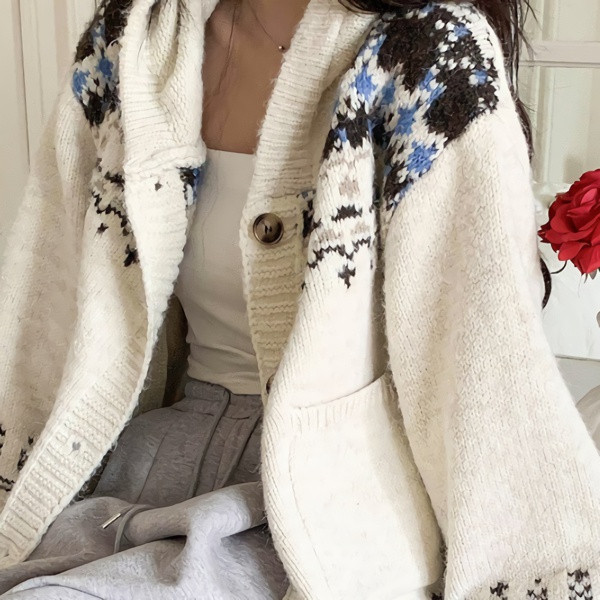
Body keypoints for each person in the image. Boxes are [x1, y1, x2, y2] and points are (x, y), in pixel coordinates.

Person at [0, 0, 599, 597]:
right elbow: (45, 301)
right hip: (142, 472)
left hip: (331, 508)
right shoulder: (133, 40)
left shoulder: (429, 54)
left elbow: (483, 357)